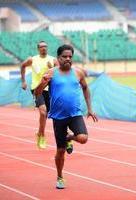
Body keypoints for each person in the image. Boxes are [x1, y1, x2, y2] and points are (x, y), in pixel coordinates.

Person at [35, 44, 98, 189]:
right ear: (58, 58)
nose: (68, 59)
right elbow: (37, 93)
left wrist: (90, 109)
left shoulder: (78, 73)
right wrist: (42, 83)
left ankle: (69, 137)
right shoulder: (51, 73)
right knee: (60, 151)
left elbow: (86, 88)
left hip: (75, 114)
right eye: (64, 57)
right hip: (59, 117)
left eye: (70, 57)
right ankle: (60, 176)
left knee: (83, 138)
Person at [20, 41, 58, 149]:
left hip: (50, 89)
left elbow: (60, 72)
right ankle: (42, 135)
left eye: (45, 46)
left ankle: (40, 132)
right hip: (37, 89)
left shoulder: (53, 60)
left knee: (50, 115)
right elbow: (22, 66)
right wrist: (23, 81)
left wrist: (53, 68)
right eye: (41, 47)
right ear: (38, 49)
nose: (44, 48)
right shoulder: (33, 59)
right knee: (43, 112)